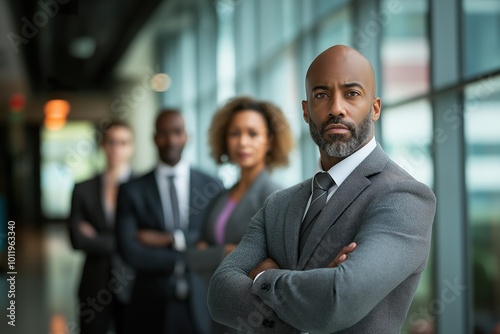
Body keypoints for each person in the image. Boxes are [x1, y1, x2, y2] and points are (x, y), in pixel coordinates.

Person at [208, 44, 436, 333]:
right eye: (321, 95)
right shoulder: (278, 204)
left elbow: (340, 299)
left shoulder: (404, 197)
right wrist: (310, 292)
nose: (336, 108)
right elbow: (219, 294)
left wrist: (263, 276)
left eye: (352, 93)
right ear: (306, 110)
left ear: (375, 108)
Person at [186, 96, 294, 333]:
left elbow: (273, 266)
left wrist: (214, 253)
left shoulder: (277, 195)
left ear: (269, 140)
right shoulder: (220, 196)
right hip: (216, 312)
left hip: (252, 317)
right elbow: (193, 257)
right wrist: (228, 252)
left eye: (253, 134)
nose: (243, 142)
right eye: (235, 133)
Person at [116, 109, 223, 334]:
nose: (171, 140)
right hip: (149, 305)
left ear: (187, 136)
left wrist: (171, 239)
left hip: (202, 303)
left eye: (177, 132)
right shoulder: (131, 190)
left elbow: (215, 241)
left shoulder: (212, 186)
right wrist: (192, 254)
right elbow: (130, 251)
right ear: (154, 138)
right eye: (164, 133)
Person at [68, 120, 135, 334]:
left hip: (134, 283)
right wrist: (129, 240)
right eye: (111, 142)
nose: (116, 149)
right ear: (103, 145)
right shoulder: (83, 189)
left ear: (131, 147)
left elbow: (153, 237)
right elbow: (77, 240)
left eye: (123, 143)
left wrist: (98, 237)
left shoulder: (144, 187)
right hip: (94, 284)